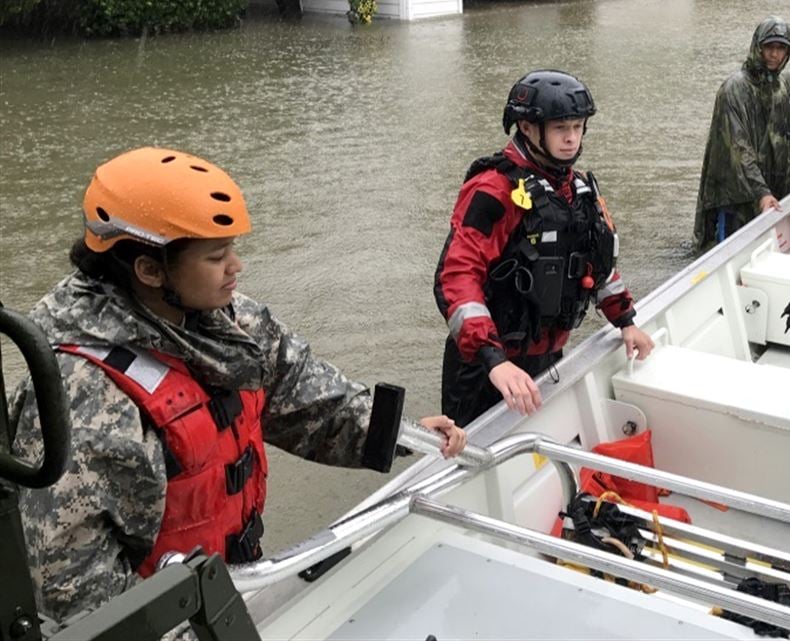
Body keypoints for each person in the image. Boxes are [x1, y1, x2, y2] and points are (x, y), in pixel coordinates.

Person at [6, 147, 468, 627]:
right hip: (169, 622)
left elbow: (307, 399)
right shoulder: (82, 395)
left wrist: (398, 433)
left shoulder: (230, 324)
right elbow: (71, 587)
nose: (237, 266)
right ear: (149, 269)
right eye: (216, 255)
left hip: (230, 590)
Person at [435, 70, 655, 426]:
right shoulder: (494, 190)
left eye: (578, 127)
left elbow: (595, 265)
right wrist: (494, 359)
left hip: (547, 357)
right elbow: (458, 277)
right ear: (527, 128)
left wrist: (625, 320)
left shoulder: (577, 189)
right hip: (485, 368)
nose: (571, 139)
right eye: (560, 129)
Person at [693, 17, 790, 252]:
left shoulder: (789, 84)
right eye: (769, 47)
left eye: (780, 49)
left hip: (777, 193)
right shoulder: (734, 90)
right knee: (730, 251)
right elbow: (738, 148)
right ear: (757, 47)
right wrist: (761, 192)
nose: (774, 55)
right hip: (738, 199)